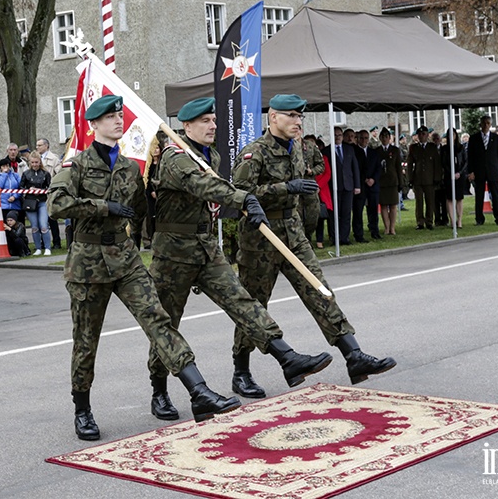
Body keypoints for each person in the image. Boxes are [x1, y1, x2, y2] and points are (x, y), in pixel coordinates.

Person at [48, 94, 241, 440]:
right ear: (94, 125)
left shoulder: (128, 168)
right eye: (109, 117)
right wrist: (102, 207)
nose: (118, 121)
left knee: (159, 322)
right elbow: (56, 205)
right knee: (86, 341)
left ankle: (199, 391)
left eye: (120, 115)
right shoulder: (75, 166)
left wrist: (143, 245)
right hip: (88, 265)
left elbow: (139, 212)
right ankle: (82, 410)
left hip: (126, 261)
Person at [146, 96, 332, 417]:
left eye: (214, 120)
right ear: (186, 125)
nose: (212, 126)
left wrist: (245, 199)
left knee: (242, 301)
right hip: (173, 252)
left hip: (205, 245)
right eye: (204, 121)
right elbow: (207, 187)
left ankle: (286, 357)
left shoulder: (211, 154)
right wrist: (245, 198)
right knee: (168, 322)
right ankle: (159, 390)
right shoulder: (177, 158)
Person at [232, 94, 396, 387]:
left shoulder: (298, 149)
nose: (298, 122)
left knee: (320, 291)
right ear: (273, 118)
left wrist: (309, 217)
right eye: (292, 116)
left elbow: (304, 191)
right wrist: (286, 187)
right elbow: (239, 194)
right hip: (261, 239)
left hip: (294, 234)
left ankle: (354, 356)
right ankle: (241, 371)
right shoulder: (253, 152)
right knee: (254, 306)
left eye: (300, 117)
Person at [321, 127, 359, 245]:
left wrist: (357, 185)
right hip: (333, 187)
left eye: (340, 135)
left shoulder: (349, 149)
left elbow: (355, 168)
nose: (338, 137)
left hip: (348, 186)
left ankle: (344, 238)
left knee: (346, 213)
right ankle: (334, 237)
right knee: (333, 215)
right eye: (335, 135)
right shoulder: (326, 151)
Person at [467, 115, 498, 226]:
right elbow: (470, 156)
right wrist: (471, 171)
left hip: (493, 170)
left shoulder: (496, 138)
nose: (485, 125)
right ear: (480, 124)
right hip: (479, 170)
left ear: (490, 125)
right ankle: (479, 219)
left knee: (496, 194)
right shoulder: (474, 138)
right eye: (483, 123)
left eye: (487, 123)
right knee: (479, 195)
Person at [407, 125, 442, 230]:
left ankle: (429, 221)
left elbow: (437, 164)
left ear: (427, 135)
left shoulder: (432, 147)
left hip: (429, 179)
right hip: (418, 179)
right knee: (419, 202)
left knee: (430, 201)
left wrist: (437, 178)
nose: (421, 136)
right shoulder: (413, 148)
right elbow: (410, 164)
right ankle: (420, 222)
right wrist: (410, 179)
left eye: (423, 134)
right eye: (420, 134)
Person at [20, 151, 52, 255]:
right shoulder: (26, 174)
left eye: (36, 162)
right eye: (32, 162)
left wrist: (41, 190)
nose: (34, 164)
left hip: (42, 201)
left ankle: (47, 247)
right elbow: (21, 187)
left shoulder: (46, 174)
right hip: (30, 202)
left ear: (40, 162)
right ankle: (38, 248)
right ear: (29, 162)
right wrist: (29, 189)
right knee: (34, 226)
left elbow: (50, 187)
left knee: (43, 225)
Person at [354, 129, 382, 240]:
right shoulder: (355, 151)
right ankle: (359, 234)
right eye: (361, 138)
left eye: (366, 138)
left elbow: (378, 168)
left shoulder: (373, 152)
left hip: (373, 185)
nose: (364, 140)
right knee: (358, 211)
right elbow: (355, 169)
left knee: (373, 210)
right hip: (361, 185)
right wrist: (365, 179)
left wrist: (373, 179)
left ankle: (374, 231)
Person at [37, 138, 63, 249]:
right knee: (41, 220)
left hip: (50, 192)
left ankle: (57, 242)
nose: (37, 147)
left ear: (46, 146)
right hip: (38, 194)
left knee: (52, 219)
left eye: (40, 145)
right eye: (37, 145)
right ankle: (43, 242)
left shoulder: (54, 158)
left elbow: (59, 174)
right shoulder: (36, 158)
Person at [376, 128, 404, 235]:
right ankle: (386, 227)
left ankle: (392, 227)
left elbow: (398, 168)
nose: (384, 139)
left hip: (393, 181)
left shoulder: (395, 150)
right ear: (380, 138)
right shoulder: (377, 151)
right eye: (382, 137)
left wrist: (400, 183)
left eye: (386, 137)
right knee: (383, 205)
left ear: (389, 138)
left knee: (393, 205)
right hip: (382, 182)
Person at [299, 133, 325, 241]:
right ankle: (300, 242)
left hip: (309, 185)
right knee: (296, 217)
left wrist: (312, 171)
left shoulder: (310, 146)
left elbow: (321, 165)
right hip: (293, 187)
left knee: (313, 216)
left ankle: (307, 237)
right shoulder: (286, 145)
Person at [440, 128, 468, 228]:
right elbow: (443, 162)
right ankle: (452, 220)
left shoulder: (461, 148)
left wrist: (459, 173)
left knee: (459, 198)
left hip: (460, 175)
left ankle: (459, 220)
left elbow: (465, 161)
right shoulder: (444, 149)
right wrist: (450, 172)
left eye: (454, 135)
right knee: (450, 198)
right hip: (448, 175)